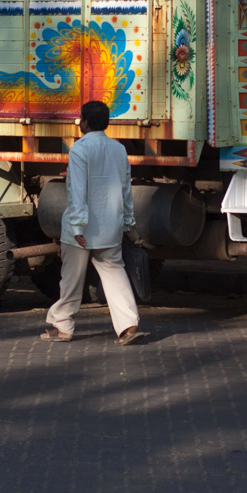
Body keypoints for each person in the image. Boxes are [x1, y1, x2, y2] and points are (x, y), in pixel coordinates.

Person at [41, 100, 146, 345]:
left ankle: (63, 327)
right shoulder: (119, 149)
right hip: (111, 225)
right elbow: (125, 189)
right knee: (114, 273)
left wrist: (77, 226)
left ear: (85, 122)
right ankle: (128, 325)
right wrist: (128, 221)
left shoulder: (79, 150)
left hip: (82, 231)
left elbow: (79, 191)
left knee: (71, 280)